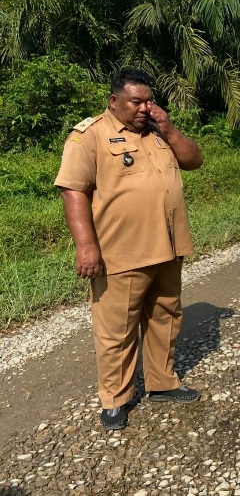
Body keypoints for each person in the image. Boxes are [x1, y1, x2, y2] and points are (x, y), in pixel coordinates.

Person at [55, 68, 204, 431]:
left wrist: (168, 129)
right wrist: (86, 245)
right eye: (135, 101)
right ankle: (115, 399)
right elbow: (73, 190)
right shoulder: (90, 135)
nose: (143, 107)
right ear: (114, 101)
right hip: (121, 252)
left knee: (166, 316)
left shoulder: (157, 131)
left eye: (148, 100)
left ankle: (163, 383)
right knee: (116, 330)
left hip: (168, 245)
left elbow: (194, 160)